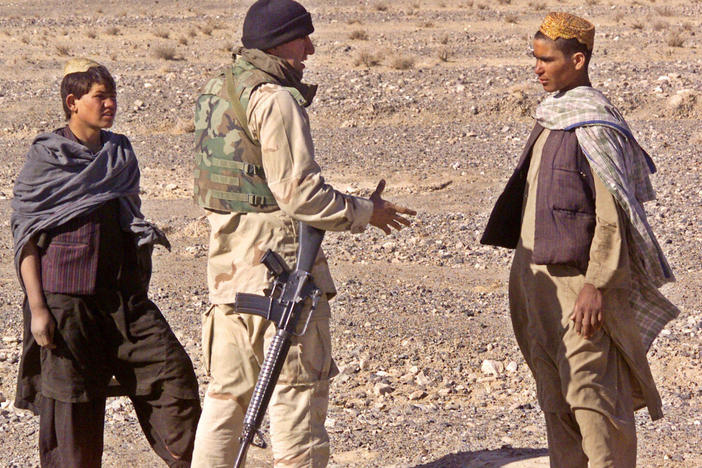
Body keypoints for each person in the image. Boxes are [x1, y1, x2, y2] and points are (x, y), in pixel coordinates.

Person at [190, 0, 416, 466]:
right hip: (281, 273)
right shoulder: (274, 99)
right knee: (296, 399)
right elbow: (300, 196)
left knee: (225, 401)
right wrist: (364, 212)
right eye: (301, 38)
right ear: (277, 42)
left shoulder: (219, 89)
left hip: (229, 270)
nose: (310, 48)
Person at [481, 12, 679, 468]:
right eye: (534, 58)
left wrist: (596, 286)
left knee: (594, 403)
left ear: (578, 59)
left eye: (546, 59)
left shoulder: (594, 125)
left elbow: (614, 221)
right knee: (556, 401)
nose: (537, 68)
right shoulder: (552, 117)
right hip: (538, 288)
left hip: (580, 292)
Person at [11, 58, 201, 467]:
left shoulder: (118, 152)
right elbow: (26, 236)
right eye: (100, 96)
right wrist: (39, 309)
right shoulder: (47, 158)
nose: (110, 104)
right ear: (72, 102)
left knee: (173, 378)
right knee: (73, 413)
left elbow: (128, 217)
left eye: (113, 95)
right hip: (66, 304)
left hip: (123, 300)